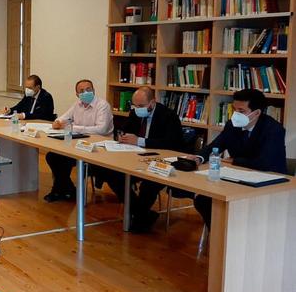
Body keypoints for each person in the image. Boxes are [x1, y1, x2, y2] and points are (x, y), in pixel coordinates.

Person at [190, 89, 287, 229]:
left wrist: (235, 161)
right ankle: (219, 236)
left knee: (237, 205)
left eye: (241, 111)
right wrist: (199, 158)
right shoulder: (233, 124)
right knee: (203, 200)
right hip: (239, 178)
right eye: (234, 109)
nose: (235, 115)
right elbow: (217, 145)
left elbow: (265, 163)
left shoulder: (274, 130)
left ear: (257, 113)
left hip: (268, 184)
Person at [98, 87, 182, 232]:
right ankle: (142, 214)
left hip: (161, 160)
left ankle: (140, 215)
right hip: (135, 158)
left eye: (141, 106)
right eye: (135, 105)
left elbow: (171, 143)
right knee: (112, 175)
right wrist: (121, 136)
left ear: (152, 102)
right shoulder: (135, 112)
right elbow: (125, 130)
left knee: (149, 184)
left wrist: (140, 141)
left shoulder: (168, 116)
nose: (137, 109)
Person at [44, 79, 113, 202]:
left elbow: (101, 129)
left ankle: (60, 190)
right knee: (52, 156)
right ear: (77, 94)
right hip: (80, 145)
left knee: (63, 160)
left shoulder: (103, 105)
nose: (86, 92)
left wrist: (72, 127)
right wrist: (58, 122)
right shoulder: (77, 104)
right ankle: (68, 189)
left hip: (99, 148)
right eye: (82, 91)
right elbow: (63, 118)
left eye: (88, 89)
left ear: (93, 90)